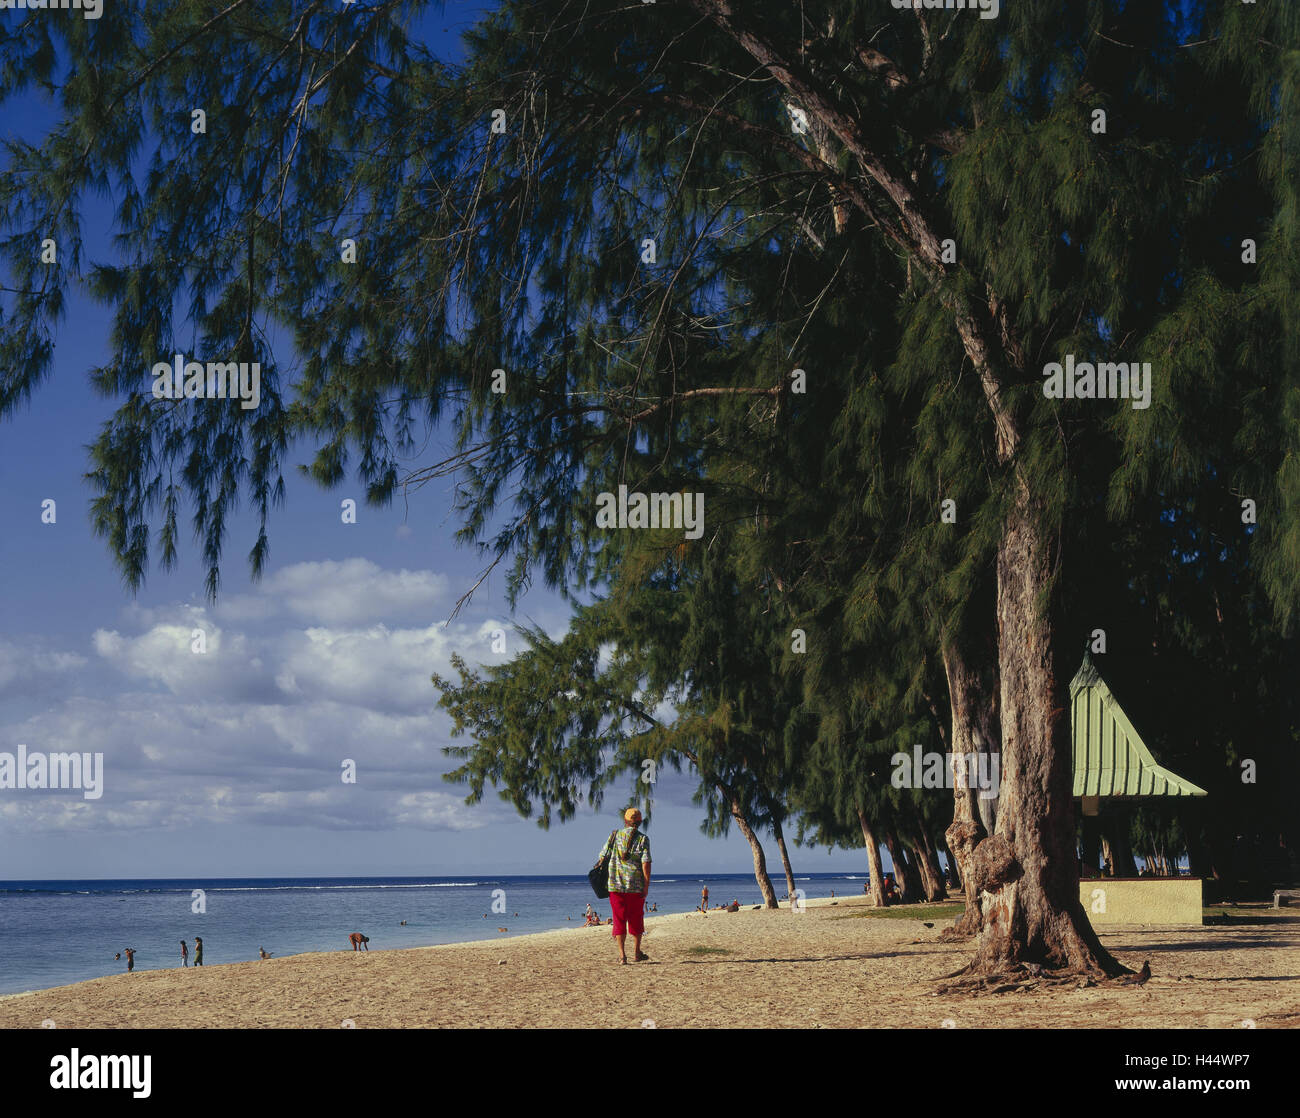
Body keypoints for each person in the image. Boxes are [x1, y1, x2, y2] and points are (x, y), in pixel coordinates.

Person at [596, 807, 651, 964]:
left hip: (615, 885)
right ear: (640, 822)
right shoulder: (643, 839)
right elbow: (646, 862)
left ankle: (622, 956)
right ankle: (636, 953)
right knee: (636, 919)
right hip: (636, 886)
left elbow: (602, 856)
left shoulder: (614, 836)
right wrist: (646, 884)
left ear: (625, 821)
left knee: (619, 919)